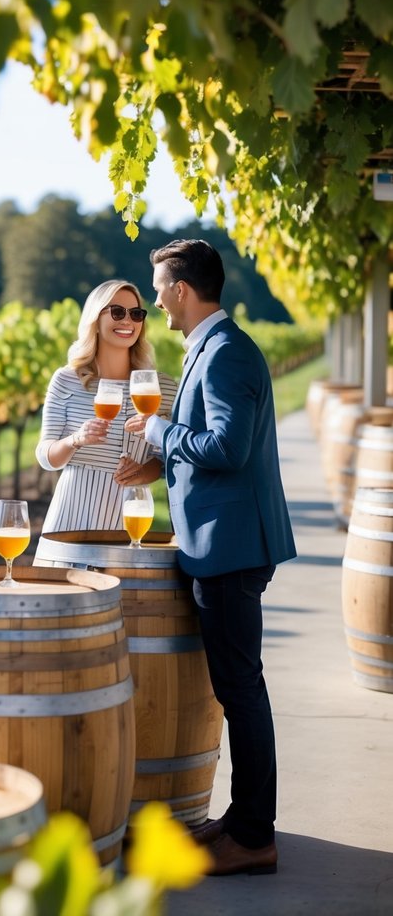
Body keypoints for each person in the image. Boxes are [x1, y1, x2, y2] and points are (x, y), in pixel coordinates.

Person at [125, 238, 297, 877]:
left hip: (229, 546)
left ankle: (254, 836)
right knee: (238, 686)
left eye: (157, 288)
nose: (152, 302)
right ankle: (244, 818)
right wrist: (162, 458)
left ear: (179, 289)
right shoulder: (213, 349)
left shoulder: (224, 353)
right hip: (223, 541)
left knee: (241, 690)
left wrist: (158, 431)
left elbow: (225, 448)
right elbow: (224, 447)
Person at [34, 279, 177, 533]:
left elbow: (164, 458)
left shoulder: (160, 387)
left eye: (136, 314)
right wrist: (76, 439)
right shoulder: (67, 380)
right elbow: (46, 456)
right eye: (117, 312)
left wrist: (142, 473)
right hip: (72, 513)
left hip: (131, 514)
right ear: (94, 321)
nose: (127, 321)